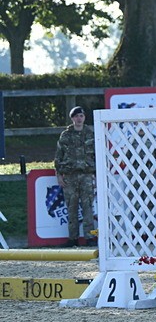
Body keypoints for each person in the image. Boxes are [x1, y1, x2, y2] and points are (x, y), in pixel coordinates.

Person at [53, 106, 97, 247]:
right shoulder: (65, 135)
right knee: (71, 208)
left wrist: (96, 175)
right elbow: (58, 157)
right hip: (70, 177)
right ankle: (73, 238)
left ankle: (90, 237)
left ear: (84, 118)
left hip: (86, 175)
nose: (79, 118)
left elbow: (97, 155)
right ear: (72, 118)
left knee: (87, 207)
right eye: (76, 116)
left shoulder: (91, 134)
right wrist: (59, 175)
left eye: (81, 116)